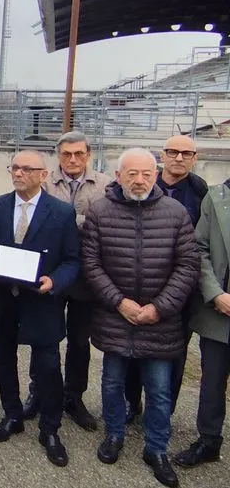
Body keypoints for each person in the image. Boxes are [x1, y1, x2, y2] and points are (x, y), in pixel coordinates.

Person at [82, 148, 199, 488]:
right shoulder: (100, 211)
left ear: (155, 174)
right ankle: (114, 435)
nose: (139, 180)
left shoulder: (175, 213)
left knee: (160, 391)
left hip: (160, 321)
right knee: (112, 383)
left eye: (147, 173)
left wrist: (159, 307)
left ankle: (156, 448)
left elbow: (188, 266)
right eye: (131, 173)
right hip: (115, 317)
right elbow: (91, 264)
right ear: (118, 176)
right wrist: (119, 302)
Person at [0, 150, 80, 467]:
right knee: (2, 359)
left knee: (49, 367)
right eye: (15, 167)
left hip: (41, 302)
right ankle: (12, 415)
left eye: (27, 168)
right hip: (2, 300)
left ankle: (50, 429)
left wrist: (55, 280)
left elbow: (73, 260)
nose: (18, 173)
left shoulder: (62, 213)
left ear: (43, 174)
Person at [24, 131, 111, 431]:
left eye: (78, 154)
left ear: (88, 155)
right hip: (50, 274)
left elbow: (108, 224)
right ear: (57, 156)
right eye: (66, 154)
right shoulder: (44, 183)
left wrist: (65, 220)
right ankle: (38, 391)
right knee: (43, 336)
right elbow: (34, 220)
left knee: (79, 340)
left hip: (88, 276)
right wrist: (82, 221)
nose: (72, 159)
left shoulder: (105, 185)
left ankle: (73, 396)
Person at [124, 135, 207, 423]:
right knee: (132, 349)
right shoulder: (143, 183)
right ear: (163, 155)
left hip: (179, 289)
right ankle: (130, 403)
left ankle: (162, 411)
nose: (179, 158)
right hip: (139, 283)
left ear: (195, 158)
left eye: (187, 153)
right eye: (173, 151)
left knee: (174, 353)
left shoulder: (201, 192)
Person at [173, 177, 230, 469]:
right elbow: (200, 248)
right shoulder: (216, 196)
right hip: (219, 310)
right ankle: (209, 440)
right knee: (212, 381)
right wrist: (215, 293)